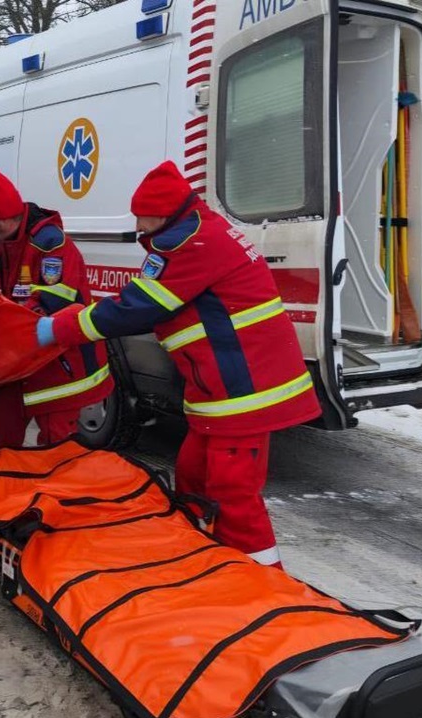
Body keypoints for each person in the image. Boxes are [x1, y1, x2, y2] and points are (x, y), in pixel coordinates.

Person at [36, 161, 323, 569]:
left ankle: (266, 580)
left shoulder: (190, 244)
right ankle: (197, 557)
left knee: (231, 492)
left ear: (163, 215)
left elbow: (138, 308)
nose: (138, 228)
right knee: (192, 474)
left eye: (142, 219)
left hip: (244, 393)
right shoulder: (196, 232)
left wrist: (60, 327)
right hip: (219, 390)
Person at [0, 171, 111, 452]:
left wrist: (9, 320)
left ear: (4, 221)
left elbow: (54, 300)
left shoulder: (48, 244)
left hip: (57, 361)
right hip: (21, 358)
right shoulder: (7, 244)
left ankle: (57, 493)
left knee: (56, 445)